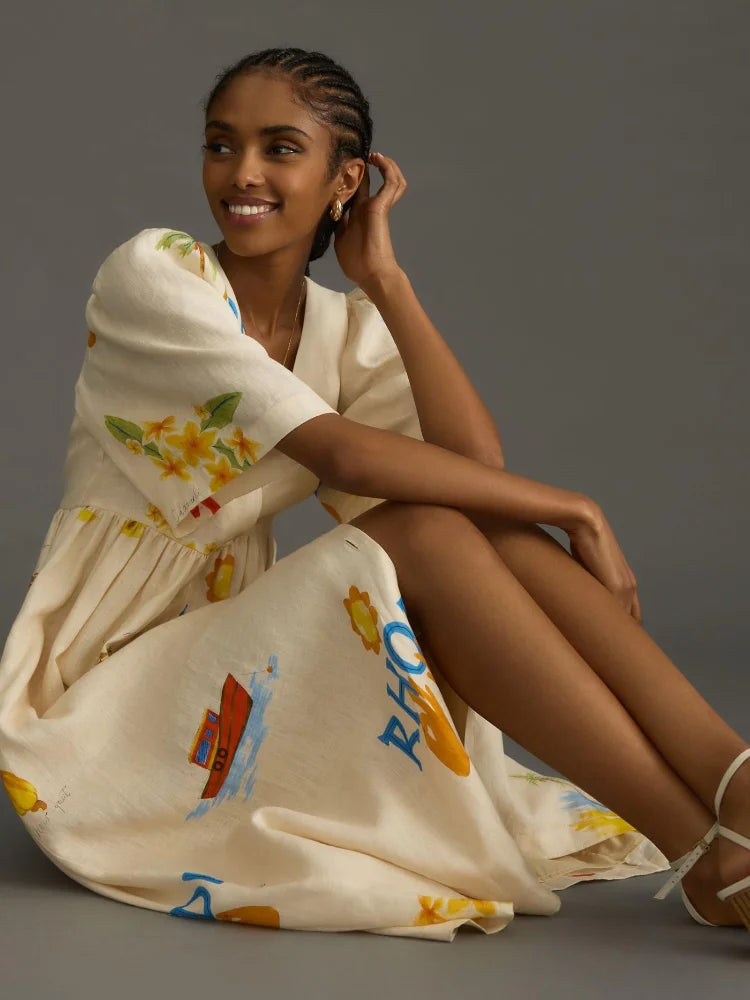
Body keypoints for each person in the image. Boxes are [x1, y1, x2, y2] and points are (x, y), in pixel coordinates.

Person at [1, 45, 748, 943]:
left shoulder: (341, 326)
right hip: (112, 696)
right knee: (426, 531)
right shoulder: (155, 277)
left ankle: (732, 791)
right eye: (221, 145)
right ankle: (703, 846)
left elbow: (476, 474)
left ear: (345, 180)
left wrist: (387, 282)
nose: (242, 174)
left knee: (453, 519)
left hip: (238, 654)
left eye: (281, 149)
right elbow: (344, 457)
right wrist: (576, 508)